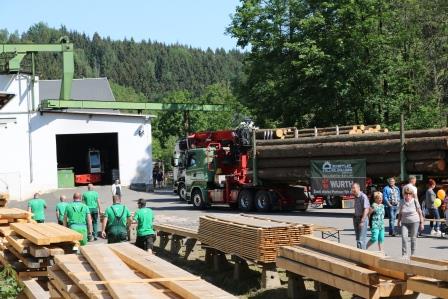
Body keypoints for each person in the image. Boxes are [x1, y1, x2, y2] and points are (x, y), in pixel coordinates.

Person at [397, 186, 424, 257]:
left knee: (413, 238)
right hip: (404, 222)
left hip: (415, 222)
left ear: (412, 194)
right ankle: (404, 254)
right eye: (406, 194)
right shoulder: (402, 201)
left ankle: (413, 254)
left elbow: (420, 213)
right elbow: (400, 213)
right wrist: (398, 221)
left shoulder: (415, 201)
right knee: (404, 237)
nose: (408, 195)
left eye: (409, 194)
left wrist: (422, 223)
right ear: (404, 194)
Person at [352, 182, 370, 249]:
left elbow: (366, 209)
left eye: (354, 188)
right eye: (352, 188)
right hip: (356, 218)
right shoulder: (356, 196)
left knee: (361, 240)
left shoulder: (363, 196)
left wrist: (362, 221)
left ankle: (362, 256)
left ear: (358, 188)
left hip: (362, 219)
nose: (353, 189)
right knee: (358, 239)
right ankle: (359, 255)